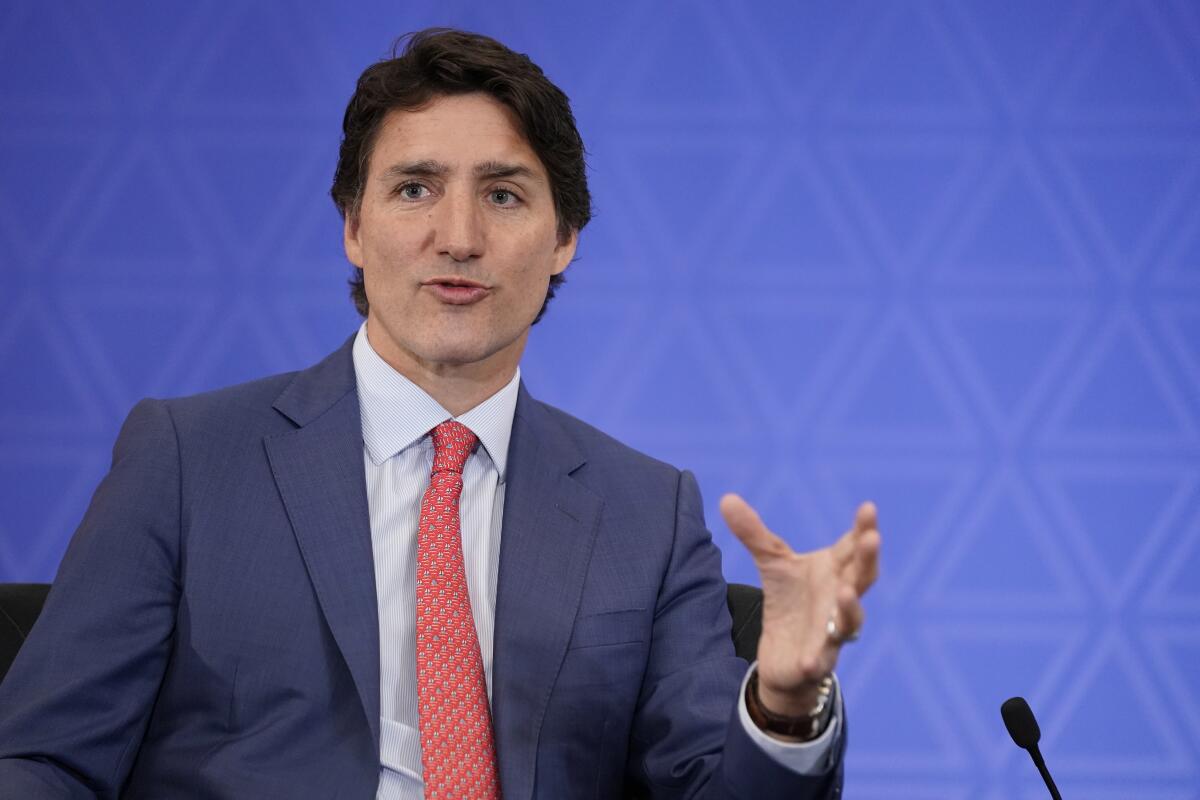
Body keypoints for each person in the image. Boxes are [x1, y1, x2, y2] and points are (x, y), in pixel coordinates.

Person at [0, 28, 880, 799]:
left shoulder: (647, 514)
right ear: (353, 224)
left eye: (503, 194)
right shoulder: (188, 460)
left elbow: (710, 788)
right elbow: (46, 759)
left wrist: (783, 707)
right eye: (415, 188)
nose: (458, 237)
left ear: (564, 238)